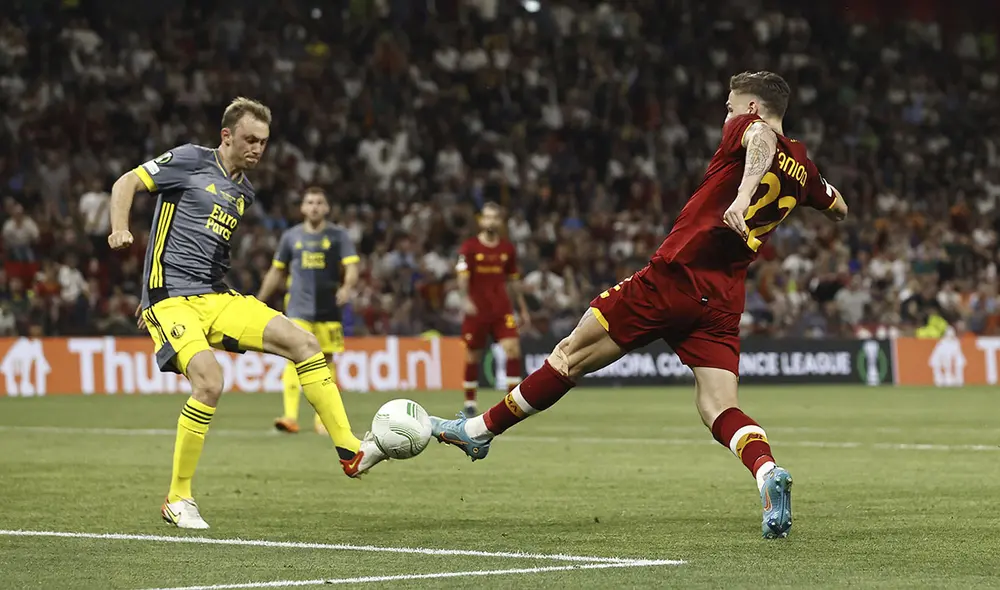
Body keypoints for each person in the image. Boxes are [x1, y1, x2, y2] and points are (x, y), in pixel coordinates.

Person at [430, 72, 849, 539]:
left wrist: (746, 191)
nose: (726, 116)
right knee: (717, 407)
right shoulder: (804, 167)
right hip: (723, 298)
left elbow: (759, 138)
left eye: (730, 107)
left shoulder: (750, 130)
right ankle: (767, 470)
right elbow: (839, 207)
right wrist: (814, 187)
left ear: (751, 107)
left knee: (569, 356)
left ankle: (479, 433)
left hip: (673, 277)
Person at [107, 97, 386, 529]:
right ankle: (178, 498)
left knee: (305, 343)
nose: (257, 149)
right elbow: (125, 183)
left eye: (264, 142)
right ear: (227, 136)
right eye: (250, 140)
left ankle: (350, 450)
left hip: (217, 297)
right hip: (172, 298)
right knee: (210, 381)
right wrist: (121, 229)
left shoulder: (244, 192)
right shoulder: (188, 160)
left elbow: (208, 252)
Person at [257, 187, 360, 435]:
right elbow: (276, 271)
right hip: (298, 309)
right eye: (310, 202)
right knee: (294, 356)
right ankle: (290, 417)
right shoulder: (291, 237)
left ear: (326, 208)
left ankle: (322, 420)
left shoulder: (338, 236)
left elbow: (353, 266)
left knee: (326, 361)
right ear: (302, 208)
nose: (314, 207)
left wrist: (347, 287)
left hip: (328, 309)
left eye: (319, 203)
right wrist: (260, 299)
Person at [455, 202, 531, 417]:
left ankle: (513, 403)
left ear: (500, 221)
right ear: (481, 221)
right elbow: (462, 276)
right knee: (472, 356)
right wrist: (465, 299)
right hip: (476, 311)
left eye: (494, 217)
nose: (490, 221)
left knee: (513, 349)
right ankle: (470, 402)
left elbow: (514, 281)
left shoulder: (507, 249)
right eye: (487, 217)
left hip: (501, 309)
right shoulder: (469, 248)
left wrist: (523, 308)